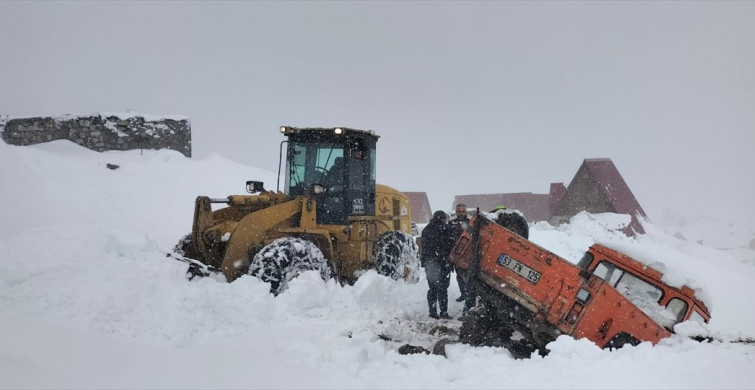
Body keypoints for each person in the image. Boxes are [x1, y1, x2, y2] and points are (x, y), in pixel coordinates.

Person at [421, 210, 455, 320]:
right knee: (443, 288)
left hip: (429, 264)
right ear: (444, 218)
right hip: (443, 263)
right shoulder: (446, 229)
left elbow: (424, 247)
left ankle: (432, 312)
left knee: (432, 288)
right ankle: (443, 312)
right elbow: (451, 245)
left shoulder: (426, 229)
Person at [449, 203, 470, 302]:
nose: (461, 213)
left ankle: (470, 294)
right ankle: (463, 293)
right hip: (457, 252)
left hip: (469, 253)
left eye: (463, 211)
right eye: (459, 211)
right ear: (456, 212)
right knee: (459, 275)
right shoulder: (451, 222)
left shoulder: (471, 221)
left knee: (469, 275)